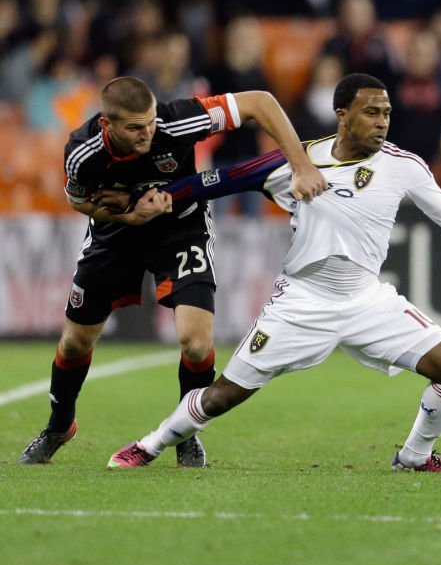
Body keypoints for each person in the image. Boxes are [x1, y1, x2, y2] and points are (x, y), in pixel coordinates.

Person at [106, 73, 441, 473]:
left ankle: (415, 457)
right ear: (342, 115)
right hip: (302, 303)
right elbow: (220, 181)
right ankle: (150, 445)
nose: (382, 121)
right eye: (371, 112)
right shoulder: (298, 160)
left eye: (386, 112)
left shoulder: (404, 168)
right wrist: (162, 195)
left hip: (367, 300)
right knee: (221, 396)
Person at [17, 77, 328, 467]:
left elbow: (261, 102)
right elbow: (82, 203)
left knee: (196, 343)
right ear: (107, 125)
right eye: (135, 127)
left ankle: (186, 434)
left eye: (150, 122)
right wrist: (130, 214)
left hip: (181, 229)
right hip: (115, 236)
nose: (148, 132)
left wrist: (300, 165)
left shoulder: (178, 120)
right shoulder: (82, 153)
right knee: (74, 343)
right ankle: (59, 426)